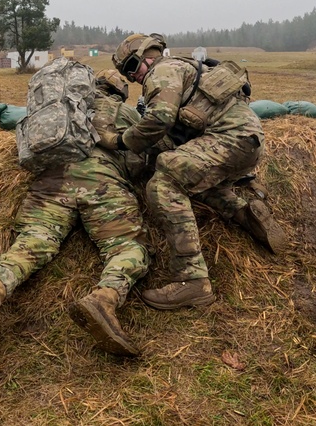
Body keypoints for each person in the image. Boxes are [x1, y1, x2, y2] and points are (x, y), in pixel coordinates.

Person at [0, 70, 150, 357]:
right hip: (101, 185)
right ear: (119, 91)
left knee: (34, 241)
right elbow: (144, 157)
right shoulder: (123, 111)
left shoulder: (58, 107)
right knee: (128, 247)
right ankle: (104, 298)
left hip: (51, 182)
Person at [100, 33, 286, 310]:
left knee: (163, 183)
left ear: (145, 56)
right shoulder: (188, 68)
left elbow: (158, 119)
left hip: (227, 140)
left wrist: (119, 141)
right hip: (248, 143)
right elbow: (173, 136)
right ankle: (246, 215)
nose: (132, 77)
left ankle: (192, 280)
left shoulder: (161, 71)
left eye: (131, 67)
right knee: (197, 183)